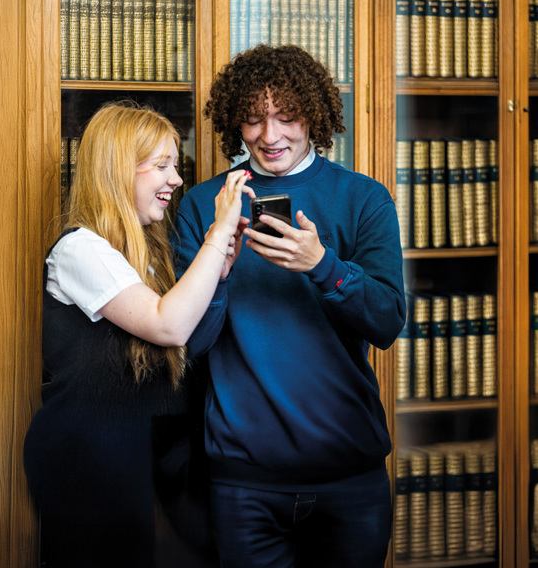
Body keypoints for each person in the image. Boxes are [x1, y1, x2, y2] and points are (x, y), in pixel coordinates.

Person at [172, 44, 407, 568]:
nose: (270, 136)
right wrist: (219, 263)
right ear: (236, 123)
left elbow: (388, 322)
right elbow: (190, 344)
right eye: (253, 121)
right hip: (243, 481)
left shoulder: (365, 199)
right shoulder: (204, 206)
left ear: (314, 116)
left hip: (350, 475)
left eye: (286, 117)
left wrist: (322, 264)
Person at [24, 102, 253, 568]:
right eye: (161, 166)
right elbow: (168, 326)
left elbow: (185, 338)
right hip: (90, 462)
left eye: (177, 165)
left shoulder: (147, 252)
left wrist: (220, 269)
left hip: (147, 459)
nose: (176, 180)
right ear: (116, 170)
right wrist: (218, 232)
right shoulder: (79, 249)